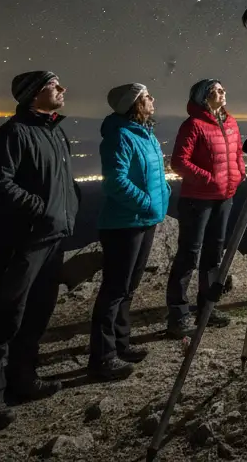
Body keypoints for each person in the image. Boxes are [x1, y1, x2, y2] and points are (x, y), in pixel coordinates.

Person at [0, 72, 79, 432]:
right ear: (34, 95)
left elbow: (60, 181)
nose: (62, 89)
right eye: (54, 85)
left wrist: (68, 208)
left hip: (52, 238)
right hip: (22, 241)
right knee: (4, 318)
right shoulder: (12, 134)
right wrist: (39, 208)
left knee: (37, 314)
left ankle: (23, 379)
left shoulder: (53, 131)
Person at [88, 84, 169, 381]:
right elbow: (114, 181)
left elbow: (153, 175)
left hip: (144, 220)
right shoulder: (120, 136)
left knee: (127, 288)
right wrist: (147, 202)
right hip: (124, 224)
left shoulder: (143, 134)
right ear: (133, 104)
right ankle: (102, 356)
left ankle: (121, 344)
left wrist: (162, 197)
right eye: (147, 97)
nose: (153, 99)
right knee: (114, 290)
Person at [165, 79, 245, 337]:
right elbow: (179, 162)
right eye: (217, 90)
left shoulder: (230, 122)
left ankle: (208, 307)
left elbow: (238, 154)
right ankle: (178, 314)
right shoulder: (193, 125)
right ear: (204, 97)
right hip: (197, 199)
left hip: (224, 197)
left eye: (223, 89)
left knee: (214, 254)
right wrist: (208, 178)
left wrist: (239, 173)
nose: (223, 93)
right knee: (189, 255)